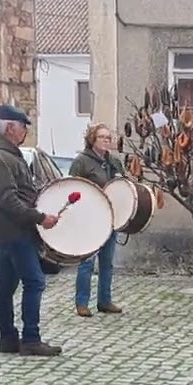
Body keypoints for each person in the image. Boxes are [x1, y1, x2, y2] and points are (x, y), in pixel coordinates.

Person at [0, 104, 62, 356]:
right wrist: (39, 217)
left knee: (5, 286)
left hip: (12, 231)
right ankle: (30, 339)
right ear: (10, 127)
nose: (25, 131)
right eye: (23, 126)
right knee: (34, 282)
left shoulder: (7, 155)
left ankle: (7, 339)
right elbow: (8, 199)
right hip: (15, 231)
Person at [68, 123, 126, 317]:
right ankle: (82, 302)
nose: (106, 141)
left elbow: (122, 186)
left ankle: (105, 300)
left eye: (108, 138)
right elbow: (74, 188)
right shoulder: (82, 162)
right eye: (102, 137)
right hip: (90, 218)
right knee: (87, 262)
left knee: (107, 263)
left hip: (110, 218)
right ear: (92, 139)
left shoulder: (114, 162)